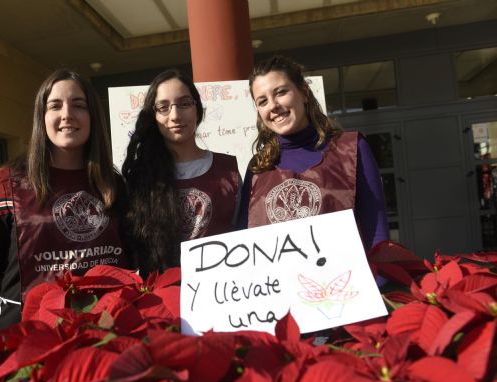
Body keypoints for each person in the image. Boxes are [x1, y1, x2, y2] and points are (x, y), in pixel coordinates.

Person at [0, 69, 129, 351]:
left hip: (103, 338)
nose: (67, 114)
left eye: (79, 105)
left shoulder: (114, 185)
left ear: (93, 117)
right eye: (55, 106)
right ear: (41, 118)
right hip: (25, 342)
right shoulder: (7, 183)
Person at [238, 55, 389, 253]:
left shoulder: (352, 149)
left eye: (281, 92)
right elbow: (242, 239)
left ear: (304, 93)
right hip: (277, 284)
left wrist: (379, 282)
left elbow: (376, 231)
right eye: (263, 101)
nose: (273, 105)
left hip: (342, 282)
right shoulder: (258, 167)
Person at [122, 69, 240, 277]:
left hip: (223, 294)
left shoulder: (227, 170)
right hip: (162, 301)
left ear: (198, 110)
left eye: (184, 104)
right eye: (163, 107)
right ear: (153, 116)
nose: (175, 116)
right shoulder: (140, 179)